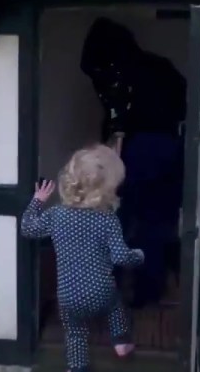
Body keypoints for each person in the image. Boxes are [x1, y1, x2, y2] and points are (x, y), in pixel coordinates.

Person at [80, 17, 187, 306]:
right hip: (171, 149)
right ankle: (148, 292)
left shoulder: (118, 73)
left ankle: (105, 290)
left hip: (137, 148)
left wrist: (108, 150)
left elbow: (117, 121)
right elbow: (184, 106)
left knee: (117, 218)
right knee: (155, 223)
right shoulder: (160, 67)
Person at [21, 145, 144, 372]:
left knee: (75, 333)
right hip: (101, 291)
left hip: (68, 296)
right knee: (116, 305)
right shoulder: (107, 218)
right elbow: (121, 256)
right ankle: (121, 342)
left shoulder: (57, 215)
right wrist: (138, 256)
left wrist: (37, 201)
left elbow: (27, 228)